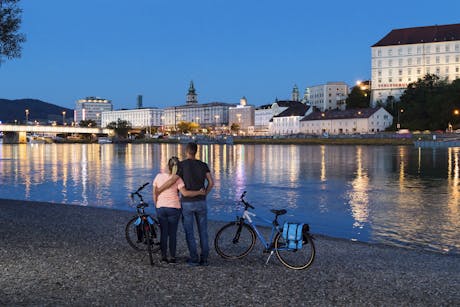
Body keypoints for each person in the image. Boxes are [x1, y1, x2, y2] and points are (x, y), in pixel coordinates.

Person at [159, 142, 214, 266]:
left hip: (187, 203)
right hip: (201, 202)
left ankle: (194, 258)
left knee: (189, 232)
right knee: (203, 231)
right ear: (196, 151)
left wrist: (159, 189)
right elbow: (211, 182)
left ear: (186, 151)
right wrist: (205, 193)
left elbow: (172, 180)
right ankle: (204, 258)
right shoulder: (203, 165)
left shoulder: (182, 165)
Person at [153, 156, 205, 264]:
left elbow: (155, 193)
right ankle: (172, 257)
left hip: (161, 207)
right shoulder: (178, 179)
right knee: (172, 234)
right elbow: (185, 193)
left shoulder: (158, 176)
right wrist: (199, 193)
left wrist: (157, 205)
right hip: (174, 208)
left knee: (164, 233)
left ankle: (163, 257)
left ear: (168, 165)